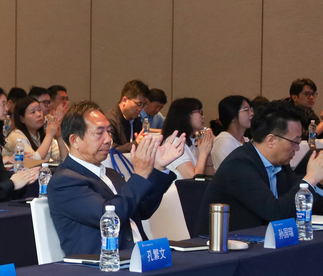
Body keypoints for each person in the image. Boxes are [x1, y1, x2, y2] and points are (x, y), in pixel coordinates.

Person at [47, 102, 183, 255]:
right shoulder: (65, 181)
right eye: (99, 133)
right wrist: (139, 174)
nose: (108, 139)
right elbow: (109, 218)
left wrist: (158, 168)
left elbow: (141, 210)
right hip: (104, 262)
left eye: (109, 132)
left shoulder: (111, 174)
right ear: (74, 140)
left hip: (139, 256)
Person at [199, 101, 323, 233]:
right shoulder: (239, 165)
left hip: (262, 241)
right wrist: (310, 179)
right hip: (224, 247)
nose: (297, 148)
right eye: (295, 141)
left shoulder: (280, 165)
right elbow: (275, 213)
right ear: (271, 140)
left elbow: (306, 210)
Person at [3, 95, 66, 167]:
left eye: (39, 110)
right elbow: (34, 162)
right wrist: (49, 135)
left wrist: (59, 136)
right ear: (22, 119)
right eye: (33, 112)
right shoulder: (16, 136)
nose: (39, 114)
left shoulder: (43, 135)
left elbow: (65, 159)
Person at [159, 98, 214, 179]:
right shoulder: (175, 142)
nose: (203, 117)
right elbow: (193, 179)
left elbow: (210, 177)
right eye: (200, 112)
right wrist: (203, 153)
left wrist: (207, 153)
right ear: (185, 116)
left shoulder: (192, 140)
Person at [106, 80, 151, 153]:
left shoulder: (137, 121)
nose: (140, 109)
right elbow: (110, 149)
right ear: (125, 100)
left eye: (143, 105)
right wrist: (136, 144)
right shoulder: (110, 121)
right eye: (139, 104)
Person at [211, 95, 253, 171]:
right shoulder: (223, 142)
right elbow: (236, 172)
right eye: (246, 109)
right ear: (232, 115)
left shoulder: (246, 140)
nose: (251, 113)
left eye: (251, 109)